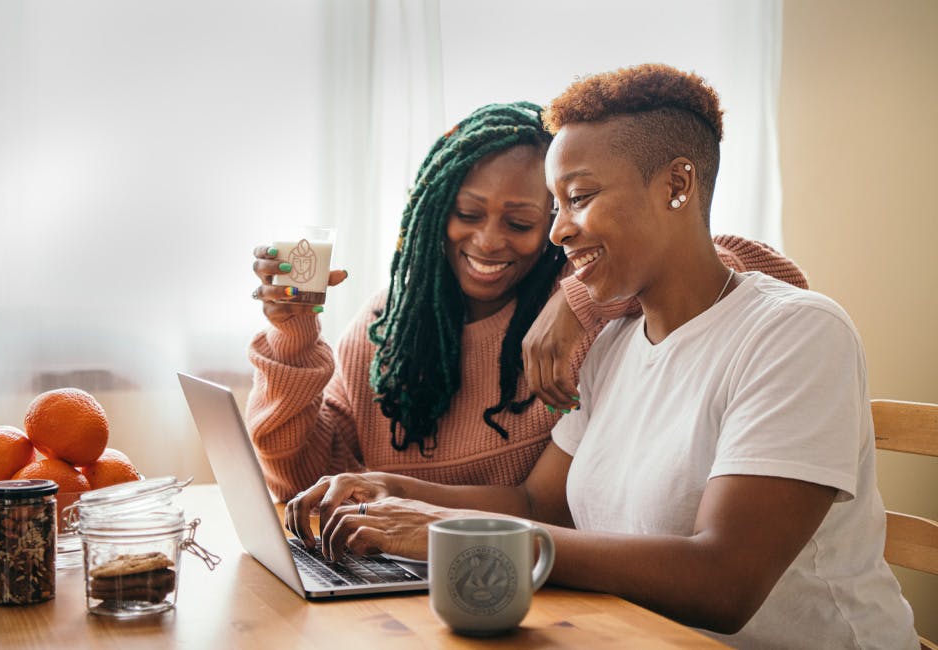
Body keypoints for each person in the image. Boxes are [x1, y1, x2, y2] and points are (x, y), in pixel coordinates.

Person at [284, 65, 918, 649]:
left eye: (579, 198)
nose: (557, 230)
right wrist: (394, 492)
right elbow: (539, 506)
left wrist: (446, 532)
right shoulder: (612, 343)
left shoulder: (797, 334)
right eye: (556, 206)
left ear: (677, 183)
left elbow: (724, 583)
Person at [247, 102, 806, 502]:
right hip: (405, 582)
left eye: (519, 222)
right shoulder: (384, 331)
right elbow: (303, 485)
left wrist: (578, 298)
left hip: (543, 582)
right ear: (432, 215)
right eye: (468, 214)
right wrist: (292, 336)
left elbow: (764, 274)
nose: (489, 242)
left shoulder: (593, 303)